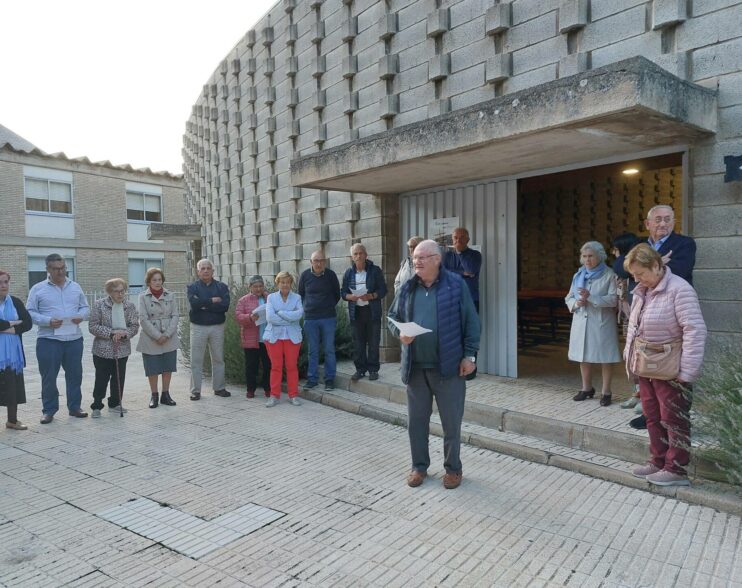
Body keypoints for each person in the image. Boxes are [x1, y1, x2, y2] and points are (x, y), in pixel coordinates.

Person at [388, 239, 480, 489]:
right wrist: (400, 334)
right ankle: (419, 467)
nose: (416, 261)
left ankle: (453, 469)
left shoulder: (455, 284)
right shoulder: (407, 287)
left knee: (451, 423)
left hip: (449, 368)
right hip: (416, 368)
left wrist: (470, 356)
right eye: (414, 257)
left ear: (437, 259)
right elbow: (392, 318)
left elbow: (472, 321)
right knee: (416, 422)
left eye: (422, 257)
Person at [624, 244, 707, 486]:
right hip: (647, 365)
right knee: (652, 415)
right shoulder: (643, 290)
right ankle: (657, 461)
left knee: (673, 418)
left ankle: (676, 469)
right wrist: (630, 359)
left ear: (657, 266)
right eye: (633, 275)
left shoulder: (679, 289)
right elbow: (633, 327)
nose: (636, 279)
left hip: (671, 368)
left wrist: (687, 371)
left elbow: (694, 330)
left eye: (640, 273)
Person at [27, 253, 90, 424]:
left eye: (63, 268)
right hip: (49, 340)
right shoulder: (37, 289)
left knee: (75, 375)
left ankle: (75, 407)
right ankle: (49, 410)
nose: (61, 272)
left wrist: (81, 316)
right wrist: (47, 321)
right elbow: (30, 313)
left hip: (74, 339)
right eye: (56, 269)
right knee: (49, 377)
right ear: (48, 269)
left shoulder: (75, 287)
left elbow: (85, 307)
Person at [565, 241, 621, 406]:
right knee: (583, 356)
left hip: (601, 322)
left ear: (600, 257)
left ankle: (606, 391)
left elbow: (613, 299)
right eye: (584, 256)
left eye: (591, 256)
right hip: (581, 320)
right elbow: (569, 297)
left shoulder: (610, 274)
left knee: (606, 358)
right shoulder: (578, 275)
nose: (587, 259)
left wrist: (590, 297)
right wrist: (576, 304)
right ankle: (586, 388)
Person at [88, 279, 139, 417]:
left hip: (122, 349)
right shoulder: (99, 305)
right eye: (116, 291)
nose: (120, 294)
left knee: (118, 377)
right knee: (101, 378)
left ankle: (115, 403)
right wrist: (111, 333)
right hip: (102, 350)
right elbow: (92, 326)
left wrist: (125, 333)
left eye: (122, 291)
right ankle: (97, 405)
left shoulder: (130, 306)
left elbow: (134, 326)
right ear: (109, 292)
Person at [341, 243, 387, 381]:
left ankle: (373, 370)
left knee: (373, 342)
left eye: (361, 253)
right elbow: (343, 292)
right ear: (352, 257)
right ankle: (360, 369)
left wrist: (371, 296)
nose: (358, 256)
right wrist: (350, 297)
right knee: (358, 343)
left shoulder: (375, 271)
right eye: (355, 254)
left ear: (366, 255)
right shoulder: (349, 273)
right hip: (356, 312)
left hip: (372, 311)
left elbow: (383, 290)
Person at [187, 258, 231, 401]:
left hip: (217, 327)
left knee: (218, 358)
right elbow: (194, 304)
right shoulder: (192, 287)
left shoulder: (222, 287)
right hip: (198, 327)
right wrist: (212, 301)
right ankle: (195, 391)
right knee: (196, 360)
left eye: (208, 268)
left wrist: (203, 305)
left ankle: (219, 388)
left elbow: (224, 306)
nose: (205, 270)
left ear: (213, 270)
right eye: (202, 268)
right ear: (198, 272)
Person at [298, 250, 341, 392]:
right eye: (316, 260)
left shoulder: (331, 275)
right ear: (311, 262)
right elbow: (301, 294)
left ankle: (329, 380)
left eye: (321, 260)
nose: (319, 263)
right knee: (313, 350)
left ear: (325, 262)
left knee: (329, 350)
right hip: (310, 319)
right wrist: (309, 308)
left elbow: (337, 295)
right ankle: (312, 379)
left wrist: (326, 306)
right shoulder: (304, 276)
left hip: (328, 317)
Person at [137, 268, 179, 409]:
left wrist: (167, 334)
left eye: (159, 279)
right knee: (153, 368)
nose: (157, 282)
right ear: (148, 281)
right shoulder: (142, 297)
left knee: (168, 367)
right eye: (154, 280)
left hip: (169, 336)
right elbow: (143, 319)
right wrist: (157, 335)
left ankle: (165, 395)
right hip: (151, 338)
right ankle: (154, 395)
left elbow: (175, 316)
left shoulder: (171, 295)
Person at [263, 271, 304, 407]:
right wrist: (288, 317)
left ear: (291, 283)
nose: (285, 284)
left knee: (292, 366)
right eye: (282, 282)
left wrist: (280, 313)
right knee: (276, 367)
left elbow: (298, 315)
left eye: (287, 282)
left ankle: (293, 395)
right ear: (278, 283)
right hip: (274, 337)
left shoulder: (297, 297)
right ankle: (274, 395)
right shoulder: (271, 298)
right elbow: (269, 318)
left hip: (292, 337)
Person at [611, 232, 642, 410]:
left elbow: (620, 268)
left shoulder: (631, 263)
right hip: (627, 317)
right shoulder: (622, 263)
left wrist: (621, 257)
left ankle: (646, 397)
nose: (613, 253)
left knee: (642, 358)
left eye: (616, 249)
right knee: (630, 358)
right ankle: (636, 392)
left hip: (638, 316)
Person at [0, 271, 32, 430]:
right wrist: (14, 322)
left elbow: (27, 323)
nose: (3, 285)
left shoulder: (16, 302)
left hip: (12, 354)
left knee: (12, 386)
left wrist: (4, 326)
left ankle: (12, 421)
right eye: (0, 283)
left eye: (6, 282)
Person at [235, 275, 271, 398]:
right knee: (251, 366)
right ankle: (251, 389)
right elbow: (238, 317)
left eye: (260, 286)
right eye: (255, 286)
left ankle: (268, 388)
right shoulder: (243, 300)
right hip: (251, 338)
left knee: (268, 365)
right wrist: (249, 317)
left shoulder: (270, 298)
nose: (258, 289)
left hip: (267, 338)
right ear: (250, 287)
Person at [443, 227, 482, 312]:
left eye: (462, 237)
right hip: (451, 298)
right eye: (456, 237)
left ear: (468, 240)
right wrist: (462, 272)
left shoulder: (475, 255)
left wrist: (459, 252)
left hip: (470, 298)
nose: (458, 240)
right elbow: (442, 272)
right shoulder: (447, 255)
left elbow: (470, 270)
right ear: (452, 239)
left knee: (470, 325)